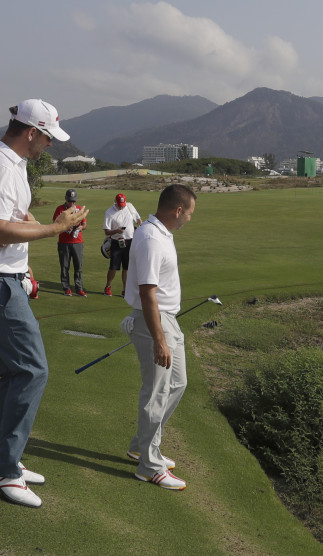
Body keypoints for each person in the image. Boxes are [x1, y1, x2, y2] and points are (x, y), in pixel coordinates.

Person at [0, 99, 87, 508]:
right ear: (31, 132)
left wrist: (36, 221)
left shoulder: (12, 164)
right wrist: (56, 228)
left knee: (14, 372)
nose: (49, 145)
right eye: (47, 138)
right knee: (32, 371)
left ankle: (0, 459)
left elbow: (12, 215)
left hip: (1, 280)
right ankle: (4, 468)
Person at [123, 184, 196, 490]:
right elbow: (147, 293)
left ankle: (142, 445)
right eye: (189, 213)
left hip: (168, 319)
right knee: (156, 392)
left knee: (178, 383)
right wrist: (159, 340)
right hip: (155, 321)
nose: (189, 219)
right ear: (177, 210)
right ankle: (149, 466)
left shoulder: (161, 234)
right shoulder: (152, 238)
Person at [103, 193, 142, 296]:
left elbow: (138, 219)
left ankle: (125, 290)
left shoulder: (129, 206)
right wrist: (116, 231)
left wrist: (140, 224)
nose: (122, 206)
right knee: (113, 267)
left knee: (127, 267)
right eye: (120, 204)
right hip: (117, 242)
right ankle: (108, 286)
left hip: (130, 241)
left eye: (123, 204)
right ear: (115, 202)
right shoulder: (109, 212)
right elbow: (106, 231)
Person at [54, 189, 87, 296]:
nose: (72, 204)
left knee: (78, 266)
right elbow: (55, 224)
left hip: (77, 241)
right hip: (64, 242)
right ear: (66, 199)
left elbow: (84, 224)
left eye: (73, 201)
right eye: (70, 201)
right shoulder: (60, 209)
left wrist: (79, 229)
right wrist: (65, 228)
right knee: (65, 266)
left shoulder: (79, 209)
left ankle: (79, 288)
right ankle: (66, 288)